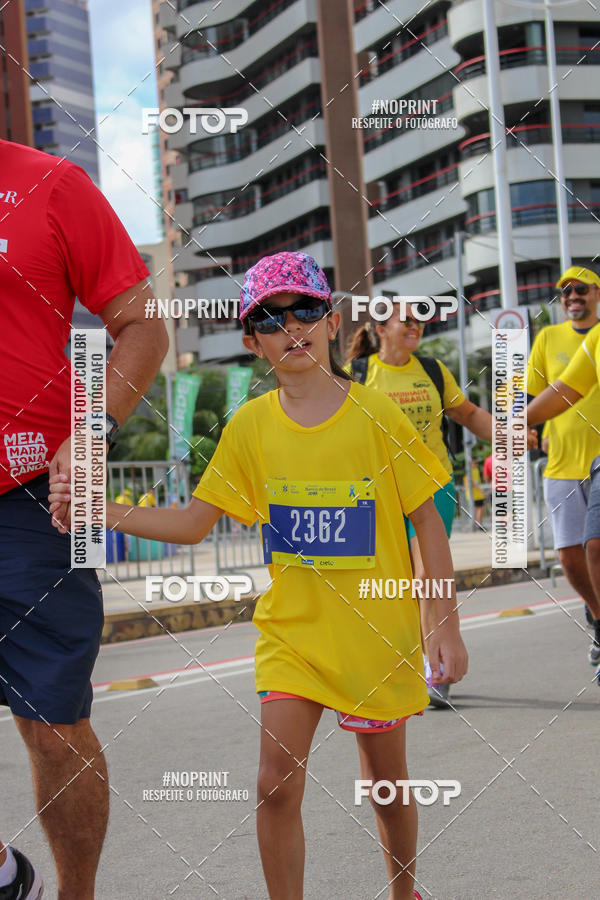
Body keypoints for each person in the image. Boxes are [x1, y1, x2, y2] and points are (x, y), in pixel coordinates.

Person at [50, 251, 468, 900]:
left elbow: (429, 526)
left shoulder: (377, 416)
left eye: (305, 309)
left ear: (331, 322)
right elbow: (194, 523)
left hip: (376, 642)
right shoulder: (249, 428)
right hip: (293, 638)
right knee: (275, 782)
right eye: (271, 320)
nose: (291, 326)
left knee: (386, 791)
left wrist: (442, 622)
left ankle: (403, 889)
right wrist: (104, 510)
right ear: (252, 342)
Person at [0, 138, 168, 899]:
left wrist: (93, 431)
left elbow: (143, 322)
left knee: (53, 723)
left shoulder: (52, 185)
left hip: (36, 498)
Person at [346, 306, 492, 708]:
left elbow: (467, 413)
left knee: (428, 575)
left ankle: (437, 669)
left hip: (433, 484)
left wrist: (512, 435)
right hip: (379, 491)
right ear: (381, 329)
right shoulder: (357, 373)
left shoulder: (432, 369)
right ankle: (400, 663)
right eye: (405, 320)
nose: (415, 327)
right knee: (395, 583)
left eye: (419, 321)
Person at [526, 266, 600, 667]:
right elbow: (543, 394)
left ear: (597, 295)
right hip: (562, 463)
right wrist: (521, 428)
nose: (572, 296)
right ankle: (597, 613)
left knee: (596, 547)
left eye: (581, 289)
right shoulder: (548, 338)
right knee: (571, 553)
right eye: (565, 291)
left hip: (598, 463)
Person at [463, 458, 486, 527]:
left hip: (478, 494)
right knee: (477, 509)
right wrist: (481, 492)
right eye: (474, 463)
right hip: (473, 495)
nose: (476, 464)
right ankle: (477, 524)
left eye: (477, 463)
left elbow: (477, 483)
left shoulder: (476, 470)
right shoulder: (468, 471)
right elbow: (471, 483)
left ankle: (478, 524)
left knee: (480, 508)